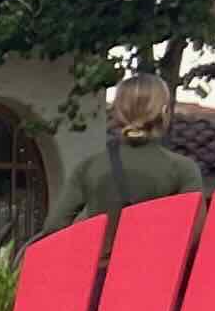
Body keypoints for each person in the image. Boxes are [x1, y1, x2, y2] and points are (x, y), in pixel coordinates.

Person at [41, 72, 204, 232]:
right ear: (164, 111)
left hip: (102, 251)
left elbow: (54, 227)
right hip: (160, 251)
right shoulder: (183, 169)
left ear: (116, 112)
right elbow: (195, 231)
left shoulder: (88, 167)